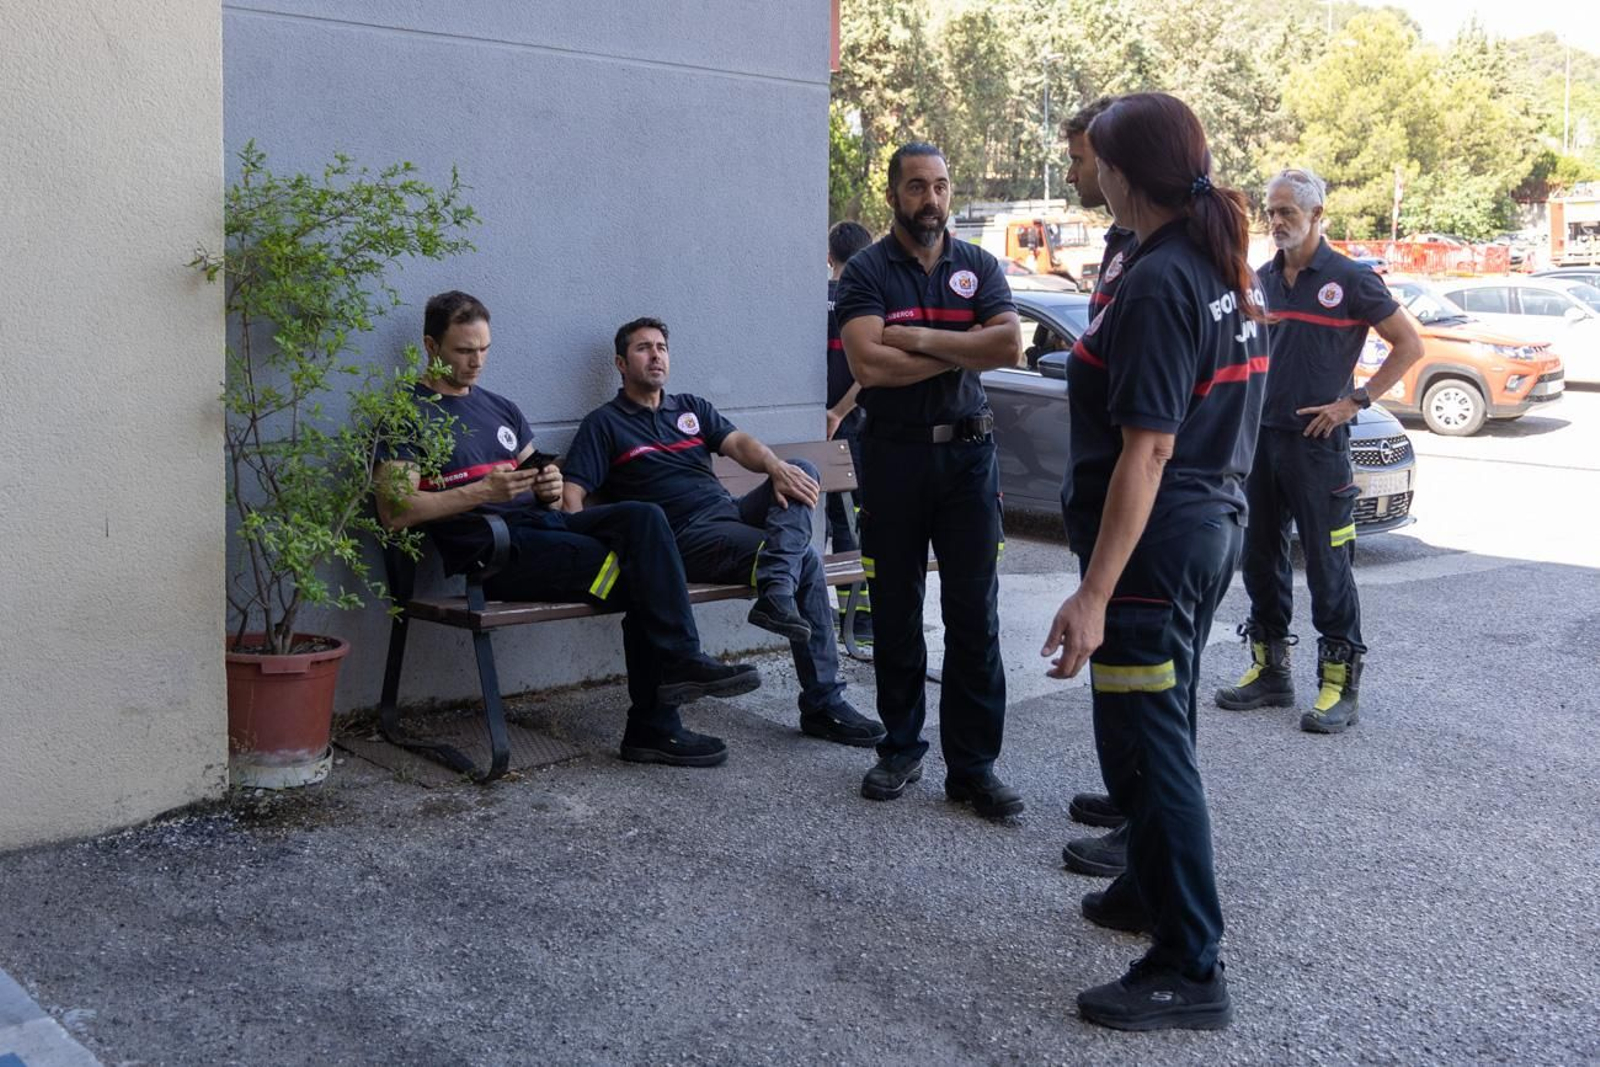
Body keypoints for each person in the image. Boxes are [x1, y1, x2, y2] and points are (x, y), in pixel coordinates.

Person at [1041, 92, 1266, 1030]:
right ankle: (1144, 884)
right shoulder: (1210, 264)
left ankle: (1189, 961)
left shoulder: (1164, 279)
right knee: (1157, 720)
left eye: (1096, 160)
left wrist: (1094, 593)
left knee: (1150, 742)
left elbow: (1149, 449)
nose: (1090, 173)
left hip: (1155, 547)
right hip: (1202, 527)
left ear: (1125, 174)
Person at [375, 291, 762, 769]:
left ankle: (675, 679)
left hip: (546, 528)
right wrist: (480, 492)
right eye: (463, 351)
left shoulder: (502, 409)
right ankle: (656, 724)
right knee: (644, 579)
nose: (477, 362)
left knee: (643, 517)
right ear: (431, 347)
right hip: (496, 553)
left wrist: (549, 486)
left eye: (484, 349)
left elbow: (549, 495)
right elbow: (395, 510)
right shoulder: (407, 413)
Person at [559, 317, 885, 749]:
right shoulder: (605, 424)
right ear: (621, 363)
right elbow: (572, 495)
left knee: (801, 471)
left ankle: (776, 589)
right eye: (643, 348)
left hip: (729, 513)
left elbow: (739, 445)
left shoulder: (690, 408)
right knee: (804, 560)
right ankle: (822, 700)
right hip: (683, 538)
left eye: (661, 347)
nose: (655, 355)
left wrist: (775, 467)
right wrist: (589, 555)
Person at [834, 142, 1024, 819]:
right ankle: (900, 746)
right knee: (894, 607)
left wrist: (913, 339)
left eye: (941, 186)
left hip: (970, 461)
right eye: (917, 187)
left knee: (975, 613)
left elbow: (1009, 345)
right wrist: (957, 347)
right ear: (893, 195)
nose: (932, 199)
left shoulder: (978, 265)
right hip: (893, 459)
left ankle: (973, 766)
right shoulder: (865, 270)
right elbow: (869, 365)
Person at [1215, 168, 1423, 734]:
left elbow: (1409, 345)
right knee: (1259, 558)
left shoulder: (1351, 280)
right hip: (1259, 446)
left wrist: (1354, 402)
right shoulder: (1259, 279)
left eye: (1288, 212)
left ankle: (1338, 685)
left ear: (1317, 216)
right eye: (1272, 212)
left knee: (1329, 565)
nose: (1277, 221)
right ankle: (1270, 671)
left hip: (1318, 450)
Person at [1057, 95, 1137, 882]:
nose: (1074, 170)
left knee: (1143, 682)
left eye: (1081, 158)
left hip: (1139, 510)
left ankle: (1143, 834)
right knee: (1118, 673)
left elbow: (1150, 441)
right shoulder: (1121, 246)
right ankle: (1128, 796)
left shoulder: (1157, 261)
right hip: (1102, 490)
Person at [824, 220, 875, 648]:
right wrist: (840, 412)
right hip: (856, 427)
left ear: (829, 258)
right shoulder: (867, 302)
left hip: (814, 428)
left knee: (826, 521)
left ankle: (839, 616)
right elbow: (871, 370)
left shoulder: (812, 300)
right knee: (854, 522)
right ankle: (858, 622)